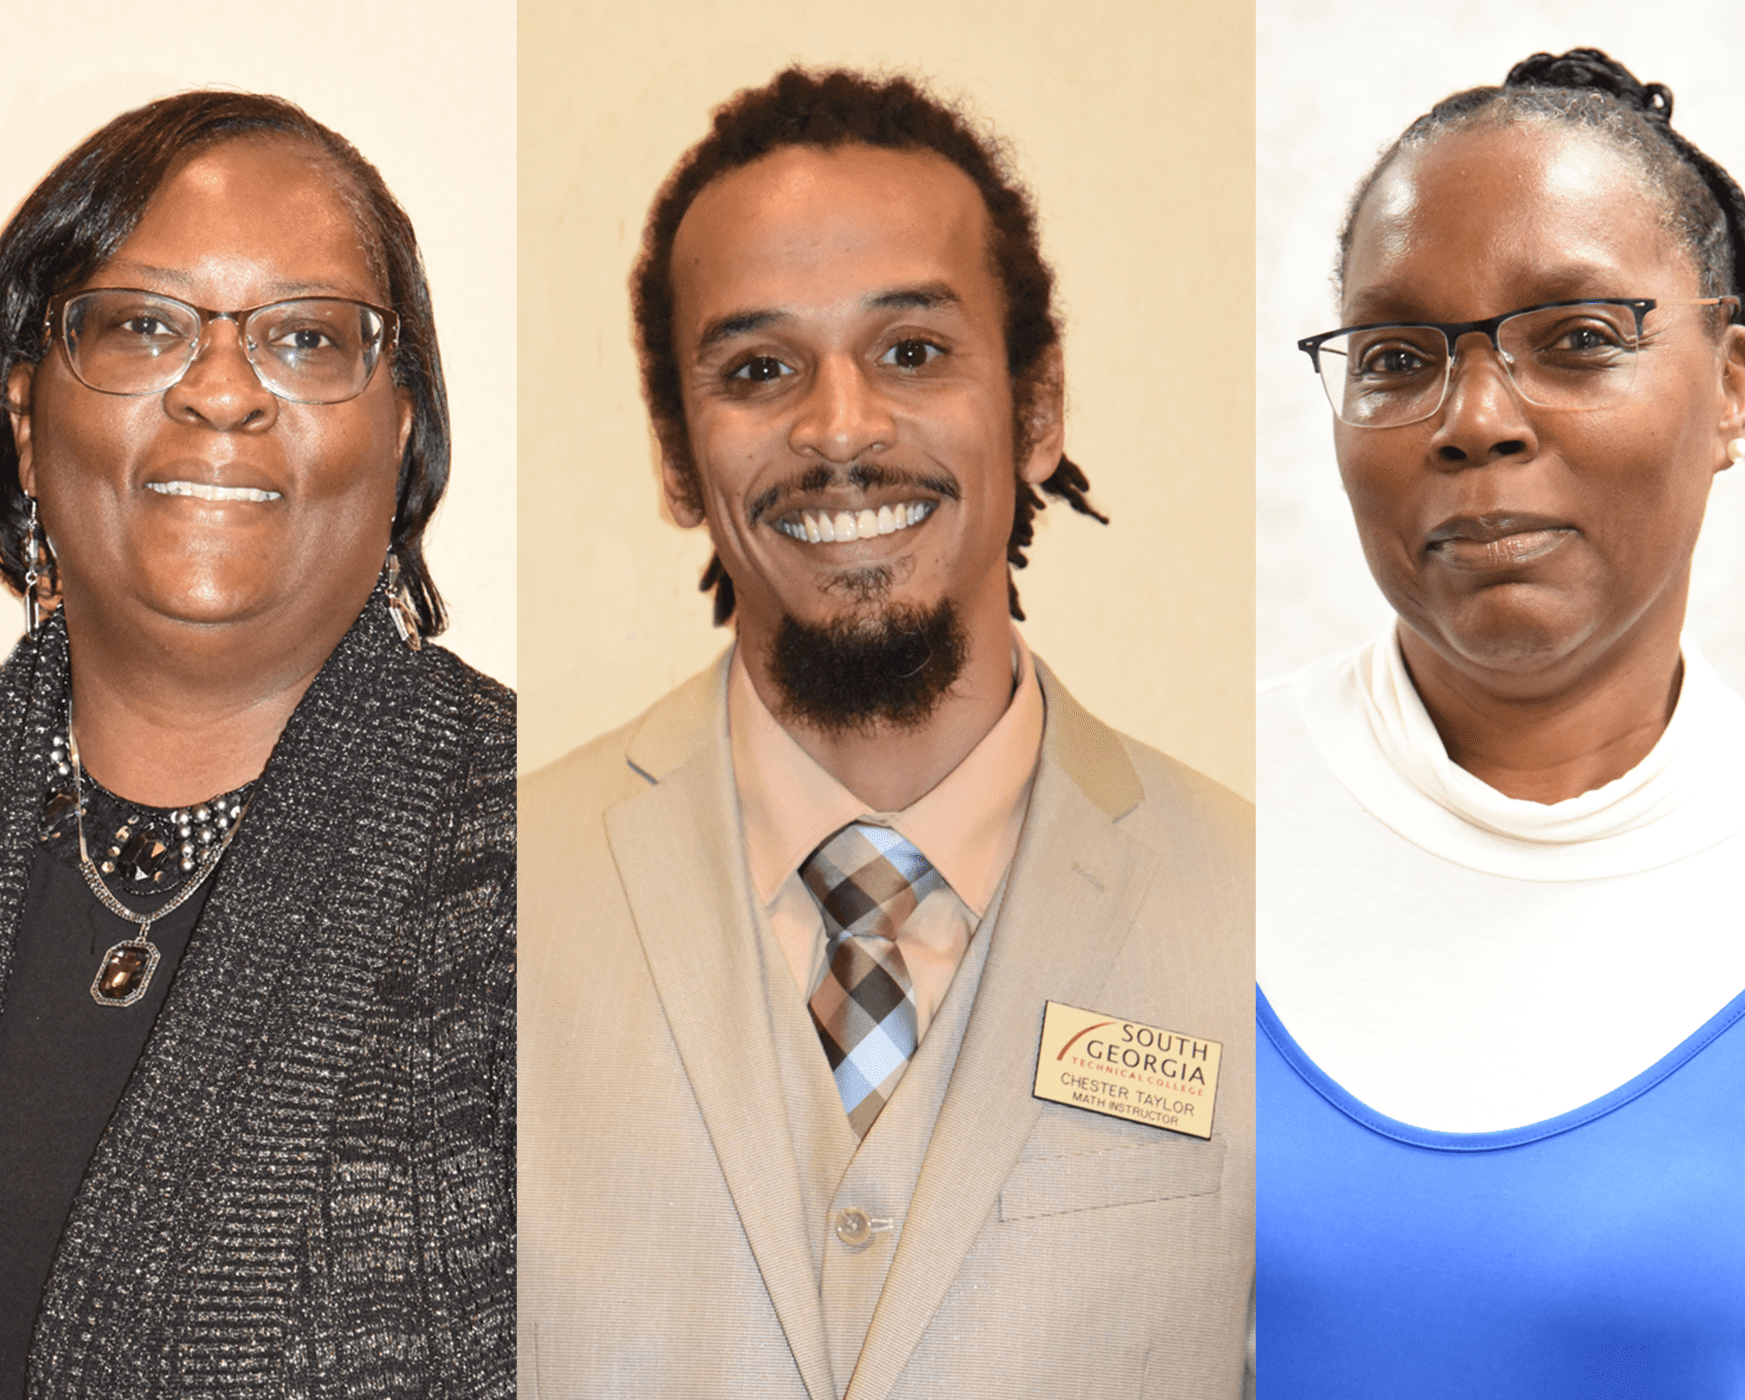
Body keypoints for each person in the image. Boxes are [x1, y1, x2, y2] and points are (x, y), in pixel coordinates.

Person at [515, 67, 1252, 1398]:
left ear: (1034, 409)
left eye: (911, 352)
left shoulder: (1265, 923)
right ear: (678, 459)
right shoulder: (476, 903)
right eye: (757, 368)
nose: (839, 427)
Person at [0, 93, 515, 1395]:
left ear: (401, 434)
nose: (220, 390)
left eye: (308, 339)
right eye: (144, 326)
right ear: (30, 423)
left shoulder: (569, 862)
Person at [1257, 49, 1745, 1393]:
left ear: (1733, 389)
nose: (1473, 419)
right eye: (1396, 356)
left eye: (1578, 339)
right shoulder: (1180, 834)